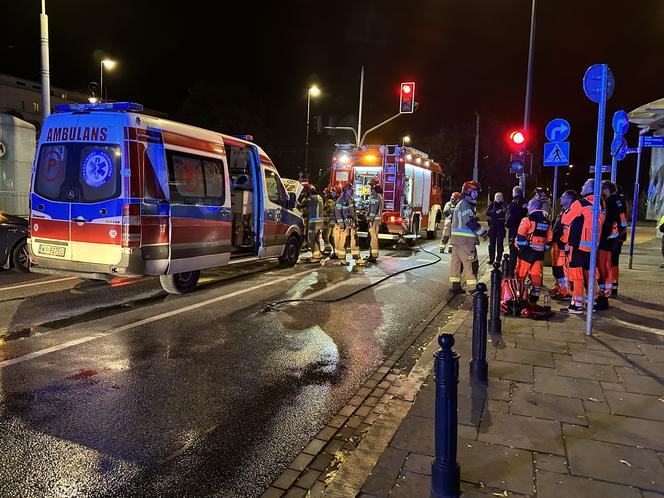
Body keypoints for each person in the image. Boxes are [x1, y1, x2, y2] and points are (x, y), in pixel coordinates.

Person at [561, 179, 605, 314]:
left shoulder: (580, 203)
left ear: (590, 188)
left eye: (584, 185)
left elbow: (565, 220)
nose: (582, 187)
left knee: (576, 274)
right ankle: (591, 301)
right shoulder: (600, 204)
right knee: (589, 274)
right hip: (593, 246)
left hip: (578, 245)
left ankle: (577, 304)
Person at [449, 180, 487, 293]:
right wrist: (483, 233)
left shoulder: (460, 203)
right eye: (475, 191)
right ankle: (473, 288)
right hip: (465, 241)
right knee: (470, 263)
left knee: (455, 263)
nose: (476, 194)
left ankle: (454, 285)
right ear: (468, 191)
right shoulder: (465, 204)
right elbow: (470, 222)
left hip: (457, 240)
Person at [514, 198, 553, 309]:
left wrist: (522, 249)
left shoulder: (527, 219)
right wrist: (542, 249)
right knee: (536, 277)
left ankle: (519, 297)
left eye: (529, 206)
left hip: (527, 253)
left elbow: (521, 236)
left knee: (520, 275)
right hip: (539, 254)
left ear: (532, 207)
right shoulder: (546, 221)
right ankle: (533, 300)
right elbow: (549, 240)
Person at [597, 180, 621, 309]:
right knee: (607, 267)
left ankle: (604, 297)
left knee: (604, 269)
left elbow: (607, 221)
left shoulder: (610, 202)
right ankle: (604, 294)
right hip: (612, 240)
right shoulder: (619, 201)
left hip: (606, 240)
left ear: (606, 190)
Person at [550, 190, 577, 299]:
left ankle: (566, 291)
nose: (561, 198)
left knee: (562, 270)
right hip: (557, 244)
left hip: (563, 245)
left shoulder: (572, 212)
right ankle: (560, 287)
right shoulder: (563, 211)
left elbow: (568, 230)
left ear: (569, 199)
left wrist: (563, 243)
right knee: (556, 268)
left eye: (563, 197)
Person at [506, 186, 528, 276]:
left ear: (514, 193)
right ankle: (521, 274)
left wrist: (507, 224)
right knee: (522, 253)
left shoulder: (513, 203)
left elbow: (511, 217)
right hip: (524, 230)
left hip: (514, 230)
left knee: (513, 253)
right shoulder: (526, 202)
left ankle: (511, 273)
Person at [612, 185, 628, 294]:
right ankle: (613, 285)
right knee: (614, 261)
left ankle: (612, 286)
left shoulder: (617, 202)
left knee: (611, 261)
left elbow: (622, 219)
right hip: (619, 236)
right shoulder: (622, 201)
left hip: (615, 236)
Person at [305, 185, 324, 263]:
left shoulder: (311, 198)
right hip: (320, 222)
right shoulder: (320, 197)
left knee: (311, 240)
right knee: (316, 239)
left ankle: (316, 257)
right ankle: (318, 254)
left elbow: (307, 210)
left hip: (313, 222)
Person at [486, 192, 507, 265]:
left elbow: (505, 213)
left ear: (502, 198)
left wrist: (498, 213)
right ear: (494, 197)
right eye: (496, 196)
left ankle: (498, 259)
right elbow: (488, 213)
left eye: (499, 196)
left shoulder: (504, 206)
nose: (498, 198)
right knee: (491, 244)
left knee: (499, 244)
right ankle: (491, 259)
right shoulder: (492, 205)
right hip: (492, 227)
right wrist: (495, 212)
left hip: (500, 228)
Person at [366, 177, 383, 263]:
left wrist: (370, 219)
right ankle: (372, 254)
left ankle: (373, 256)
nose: (369, 188)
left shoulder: (375, 196)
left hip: (374, 221)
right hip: (376, 220)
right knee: (374, 237)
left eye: (370, 186)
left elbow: (373, 210)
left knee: (373, 238)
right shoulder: (378, 195)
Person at [322, 186, 337, 257]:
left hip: (327, 221)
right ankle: (327, 249)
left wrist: (324, 213)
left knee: (326, 235)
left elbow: (330, 210)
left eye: (326, 193)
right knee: (325, 235)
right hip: (327, 221)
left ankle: (328, 249)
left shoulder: (330, 201)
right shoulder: (330, 200)